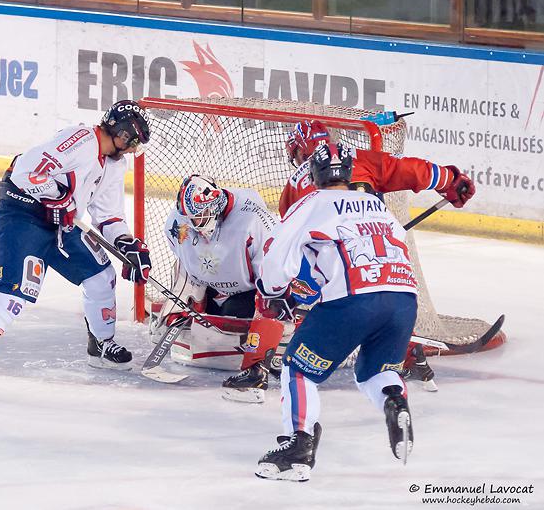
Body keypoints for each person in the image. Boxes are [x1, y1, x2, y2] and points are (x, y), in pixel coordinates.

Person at [0, 100, 152, 397]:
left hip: (61, 226)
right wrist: (56, 195)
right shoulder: (80, 140)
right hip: (24, 219)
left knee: (101, 275)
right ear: (120, 132)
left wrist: (125, 242)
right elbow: (24, 171)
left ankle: (101, 345)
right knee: (13, 295)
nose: (131, 149)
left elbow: (109, 215)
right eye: (132, 141)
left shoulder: (115, 164)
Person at [255, 141, 418, 481]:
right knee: (373, 373)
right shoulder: (375, 204)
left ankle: (299, 445)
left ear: (314, 174)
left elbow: (277, 250)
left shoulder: (312, 202)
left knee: (297, 369)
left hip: (353, 299)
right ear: (348, 172)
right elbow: (396, 245)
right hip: (403, 296)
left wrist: (272, 291)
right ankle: (394, 400)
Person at [277, 119, 476, 389]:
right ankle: (406, 355)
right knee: (384, 299)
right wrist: (450, 180)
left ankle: (278, 361)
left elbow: (288, 237)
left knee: (304, 301)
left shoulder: (295, 182)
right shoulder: (361, 159)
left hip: (334, 262)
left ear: (301, 152)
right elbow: (409, 169)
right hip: (383, 251)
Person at [155, 174, 284, 403]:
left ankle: (259, 362)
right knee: (203, 321)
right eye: (190, 218)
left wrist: (266, 319)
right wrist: (191, 294)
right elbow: (184, 261)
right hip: (212, 288)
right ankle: (185, 308)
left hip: (247, 293)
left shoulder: (253, 221)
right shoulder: (178, 222)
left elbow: (272, 278)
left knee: (233, 316)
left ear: (214, 208)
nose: (193, 224)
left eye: (198, 217)